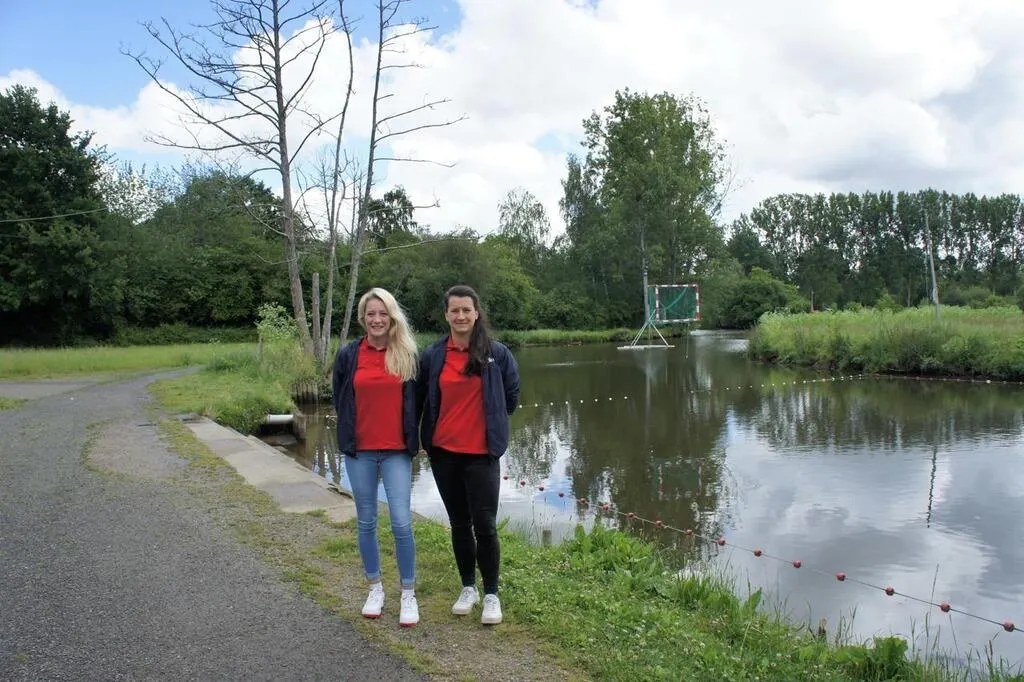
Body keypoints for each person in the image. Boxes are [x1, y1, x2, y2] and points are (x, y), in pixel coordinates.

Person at [417, 284, 520, 625]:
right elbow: (421, 400)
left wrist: (490, 423)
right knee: (459, 524)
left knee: (485, 525)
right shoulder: (433, 356)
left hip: (481, 455)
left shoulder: (497, 354)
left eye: (466, 309)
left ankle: (491, 594)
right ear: (446, 315)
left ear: (477, 313)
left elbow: (510, 397)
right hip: (445, 454)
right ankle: (468, 588)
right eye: (454, 310)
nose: (460, 316)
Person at [331, 287, 421, 627]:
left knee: (401, 521)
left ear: (392, 316)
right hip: (361, 452)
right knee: (366, 520)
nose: (377, 319)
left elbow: (419, 400)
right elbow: (340, 396)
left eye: (383, 313)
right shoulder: (348, 355)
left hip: (397, 451)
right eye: (371, 314)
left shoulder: (408, 355)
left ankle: (408, 593)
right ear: (363, 318)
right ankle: (375, 587)